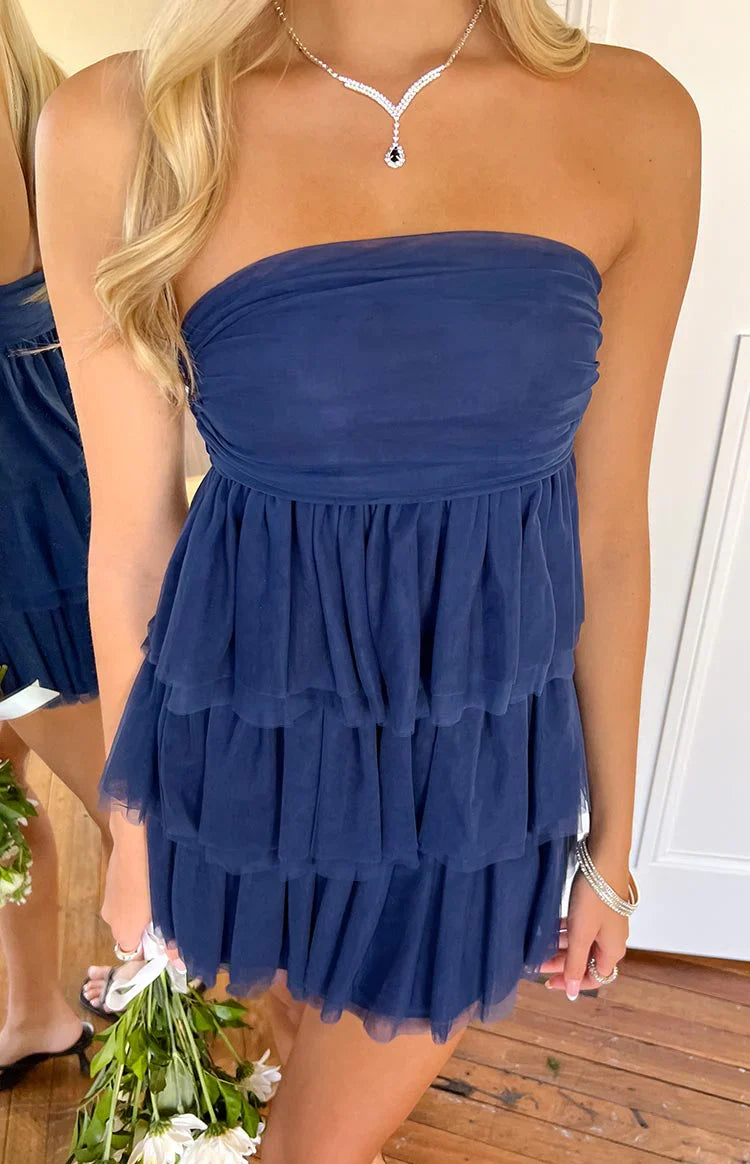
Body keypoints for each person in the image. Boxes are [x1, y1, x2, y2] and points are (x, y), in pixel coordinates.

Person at [36, 0, 700, 1159]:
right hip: (246, 741)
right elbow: (136, 536)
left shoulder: (635, 115)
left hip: (479, 773)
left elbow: (608, 531)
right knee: (290, 1045)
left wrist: (614, 844)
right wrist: (133, 843)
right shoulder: (123, 124)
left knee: (317, 1144)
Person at [0, 0, 106, 1088]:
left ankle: (224, 1061)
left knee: (133, 803)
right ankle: (32, 1014)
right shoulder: (26, 73)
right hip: (30, 456)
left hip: (23, 497)